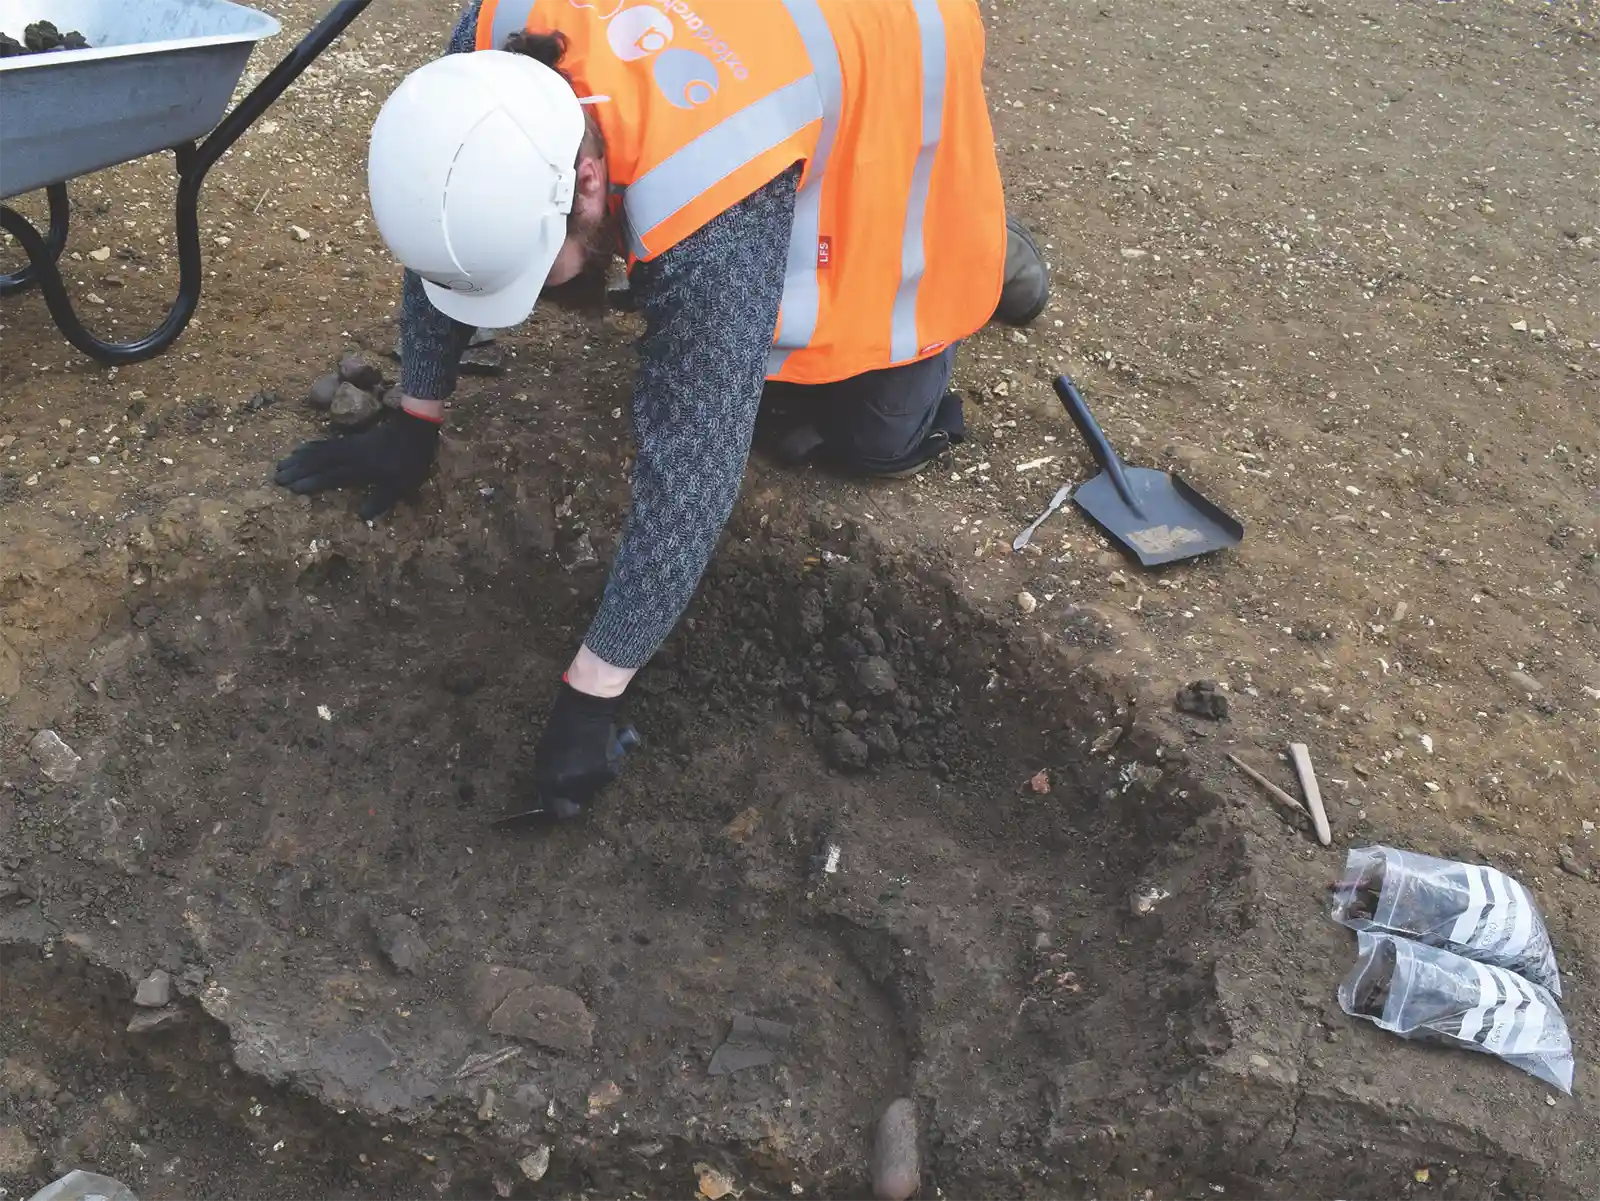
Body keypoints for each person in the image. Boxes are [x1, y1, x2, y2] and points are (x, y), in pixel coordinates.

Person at [273, 0, 1050, 819]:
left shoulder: (706, 197)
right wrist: (414, 413)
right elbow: (452, 236)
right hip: (759, 59)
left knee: (865, 429)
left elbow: (695, 463)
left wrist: (593, 690)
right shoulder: (483, 63)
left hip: (891, 55)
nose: (539, 299)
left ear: (586, 180)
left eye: (543, 272)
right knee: (720, 318)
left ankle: (983, 242)